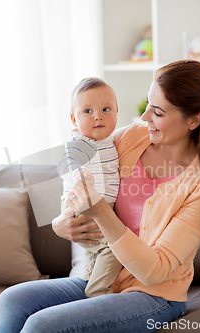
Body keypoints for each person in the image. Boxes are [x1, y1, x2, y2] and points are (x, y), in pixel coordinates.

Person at [0, 60, 200, 333]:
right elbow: (78, 168)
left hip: (153, 295)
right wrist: (60, 222)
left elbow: (155, 272)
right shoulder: (131, 138)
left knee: (41, 325)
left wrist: (101, 212)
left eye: (158, 112)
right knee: (12, 300)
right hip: (99, 276)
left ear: (193, 120)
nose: (145, 117)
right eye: (148, 104)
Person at [56, 77, 122, 298]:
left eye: (106, 109)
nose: (98, 116)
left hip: (100, 208)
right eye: (87, 111)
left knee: (97, 250)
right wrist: (80, 175)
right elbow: (70, 162)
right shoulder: (80, 143)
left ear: (116, 112)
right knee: (115, 248)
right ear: (74, 119)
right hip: (81, 205)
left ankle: (88, 283)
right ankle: (97, 294)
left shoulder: (112, 140)